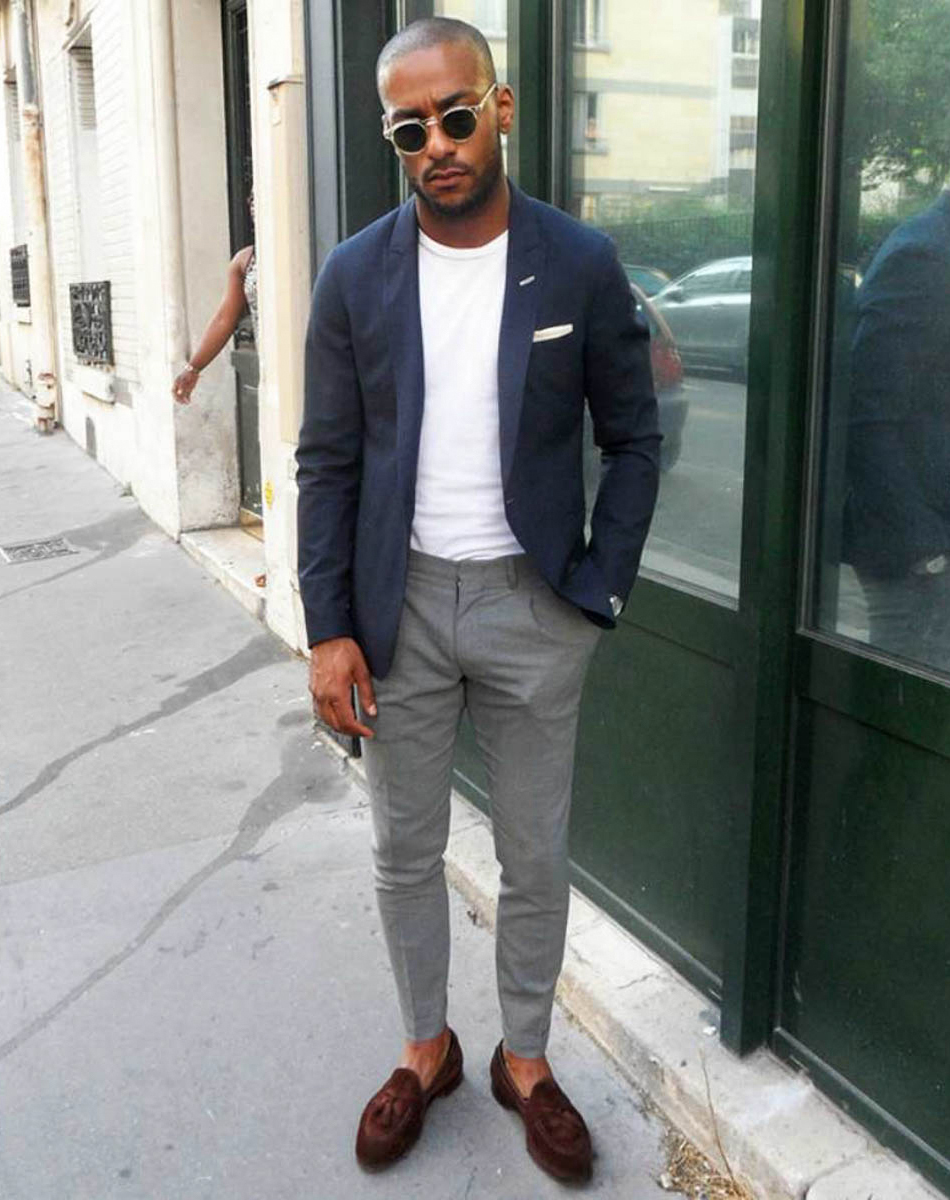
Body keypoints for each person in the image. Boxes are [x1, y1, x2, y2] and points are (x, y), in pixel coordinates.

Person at [296, 18, 659, 1183]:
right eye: (412, 128)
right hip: (396, 612)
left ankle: (525, 1059)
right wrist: (327, 628)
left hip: (530, 607)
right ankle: (426, 1049)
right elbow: (328, 461)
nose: (438, 144)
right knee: (403, 852)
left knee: (535, 857)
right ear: (392, 137)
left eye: (458, 115)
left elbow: (635, 436)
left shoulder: (580, 262)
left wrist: (594, 591)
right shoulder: (354, 273)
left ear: (500, 108)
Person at [843, 188, 950, 671]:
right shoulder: (926, 253)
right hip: (919, 562)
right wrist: (925, 554)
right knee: (902, 714)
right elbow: (867, 413)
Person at [171, 194, 257, 404]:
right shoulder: (244, 261)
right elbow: (224, 319)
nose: (254, 204)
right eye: (252, 198)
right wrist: (193, 368)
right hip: (270, 366)